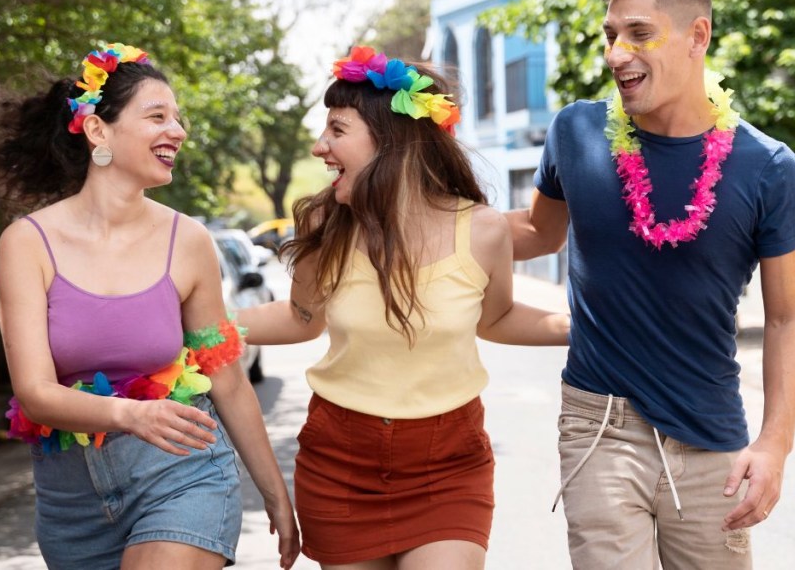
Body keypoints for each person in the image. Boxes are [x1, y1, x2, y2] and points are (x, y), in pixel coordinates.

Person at [506, 0, 795, 569]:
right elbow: (535, 233)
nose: (616, 53)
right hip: (600, 426)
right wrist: (421, 225)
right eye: (611, 35)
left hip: (711, 438)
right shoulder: (577, 133)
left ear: (696, 36)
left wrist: (775, 445)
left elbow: (790, 317)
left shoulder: (770, 168)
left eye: (639, 33)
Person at [0, 43, 300, 569]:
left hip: (181, 472)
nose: (178, 131)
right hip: (71, 502)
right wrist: (130, 413)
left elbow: (227, 377)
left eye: (178, 118)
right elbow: (33, 393)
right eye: (157, 116)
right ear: (99, 131)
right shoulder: (28, 243)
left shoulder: (189, 241)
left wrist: (275, 494)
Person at [237, 46, 570, 570]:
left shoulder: (481, 230)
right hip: (340, 460)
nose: (319, 145)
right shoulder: (325, 224)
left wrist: (589, 328)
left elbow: (498, 318)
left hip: (448, 466)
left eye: (337, 130)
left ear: (390, 140)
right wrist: (200, 327)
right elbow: (302, 317)